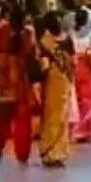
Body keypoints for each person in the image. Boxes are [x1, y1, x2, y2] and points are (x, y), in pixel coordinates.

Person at [0, 5, 33, 165]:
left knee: (1, 120)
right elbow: (29, 54)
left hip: (4, 79)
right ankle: (22, 155)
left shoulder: (3, 30)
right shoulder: (26, 34)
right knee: (22, 121)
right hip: (20, 81)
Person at [36, 12, 73, 167]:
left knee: (51, 116)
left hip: (52, 81)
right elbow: (73, 61)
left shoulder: (44, 41)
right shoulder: (67, 40)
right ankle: (57, 152)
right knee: (61, 117)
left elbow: (43, 65)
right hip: (64, 80)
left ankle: (48, 151)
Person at [70, 7, 91, 143]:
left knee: (75, 99)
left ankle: (76, 130)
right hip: (87, 69)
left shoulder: (71, 34)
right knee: (88, 100)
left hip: (74, 67)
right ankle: (85, 130)